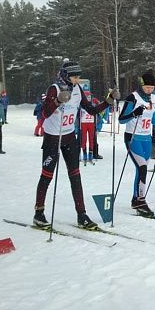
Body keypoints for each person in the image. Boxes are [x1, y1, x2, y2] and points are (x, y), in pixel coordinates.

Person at [33, 61, 119, 229]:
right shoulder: (54, 88)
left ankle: (82, 215)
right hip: (52, 137)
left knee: (75, 175)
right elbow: (44, 113)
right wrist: (57, 101)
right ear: (65, 75)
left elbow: (91, 110)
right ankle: (39, 213)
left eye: (78, 77)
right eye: (74, 77)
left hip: (70, 137)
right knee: (47, 175)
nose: (77, 80)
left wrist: (108, 101)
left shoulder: (78, 90)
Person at [118, 71, 155, 217]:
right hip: (133, 138)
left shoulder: (153, 98)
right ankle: (141, 200)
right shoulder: (132, 98)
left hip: (147, 139)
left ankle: (136, 199)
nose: (149, 90)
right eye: (147, 87)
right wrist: (134, 113)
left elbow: (154, 119)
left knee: (142, 169)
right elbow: (121, 119)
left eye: (151, 87)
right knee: (142, 167)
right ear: (142, 85)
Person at [79, 89, 97, 165]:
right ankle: (84, 155)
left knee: (91, 139)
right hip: (83, 123)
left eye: (89, 96)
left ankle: (90, 155)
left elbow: (97, 113)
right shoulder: (81, 105)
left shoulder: (93, 105)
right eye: (87, 96)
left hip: (91, 123)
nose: (88, 98)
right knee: (84, 140)